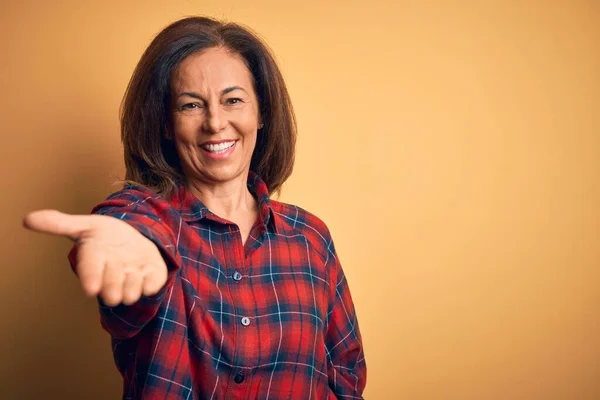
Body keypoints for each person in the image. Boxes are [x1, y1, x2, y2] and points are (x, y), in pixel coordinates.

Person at [23, 16, 366, 399]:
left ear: (261, 113)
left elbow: (346, 375)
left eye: (233, 100)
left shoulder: (310, 238)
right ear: (166, 124)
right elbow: (127, 229)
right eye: (191, 106)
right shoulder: (146, 221)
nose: (215, 123)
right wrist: (128, 243)